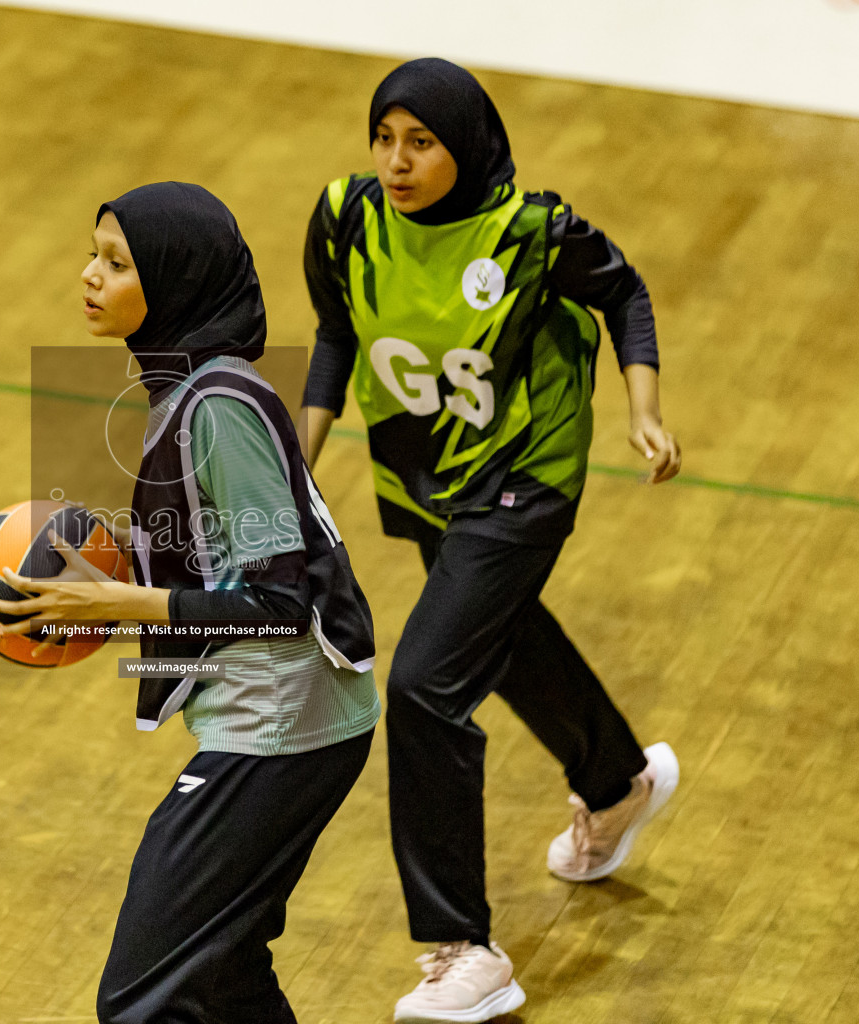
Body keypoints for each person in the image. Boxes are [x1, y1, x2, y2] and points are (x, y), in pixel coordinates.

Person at [300, 58, 682, 1022]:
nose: (396, 161)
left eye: (420, 142)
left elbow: (625, 291)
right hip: (429, 473)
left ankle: (464, 949)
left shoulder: (530, 232)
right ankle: (616, 780)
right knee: (498, 636)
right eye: (384, 139)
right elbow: (337, 334)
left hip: (528, 472)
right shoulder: (347, 218)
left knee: (424, 684)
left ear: (464, 146)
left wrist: (644, 408)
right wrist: (294, 461)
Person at [0, 181, 381, 1024]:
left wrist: (120, 602)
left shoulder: (219, 406)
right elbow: (225, 558)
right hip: (298, 717)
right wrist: (111, 571)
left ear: (174, 280)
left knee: (141, 998)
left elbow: (277, 600)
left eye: (117, 263)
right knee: (225, 974)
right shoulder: (190, 387)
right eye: (94, 254)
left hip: (281, 727)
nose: (90, 276)